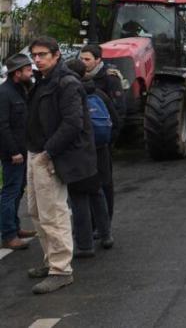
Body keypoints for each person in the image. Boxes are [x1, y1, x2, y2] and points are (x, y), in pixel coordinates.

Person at [25, 36, 97, 294]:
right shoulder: (44, 81)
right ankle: (50, 259)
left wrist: (49, 152)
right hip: (36, 152)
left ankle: (61, 269)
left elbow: (72, 124)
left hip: (50, 155)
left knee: (53, 213)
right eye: (35, 55)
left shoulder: (66, 83)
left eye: (42, 54)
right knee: (36, 211)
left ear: (56, 55)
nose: (37, 59)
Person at [64, 59, 115, 257]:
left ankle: (85, 245)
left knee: (78, 199)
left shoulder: (69, 93)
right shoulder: (98, 93)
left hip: (76, 152)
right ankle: (106, 234)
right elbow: (115, 120)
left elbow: (69, 125)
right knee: (97, 193)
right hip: (98, 150)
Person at [79, 44, 124, 220]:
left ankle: (105, 220)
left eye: (87, 59)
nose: (83, 63)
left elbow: (119, 112)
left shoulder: (110, 78)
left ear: (98, 60)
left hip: (102, 140)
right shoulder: (79, 77)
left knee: (104, 183)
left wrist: (110, 139)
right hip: (85, 142)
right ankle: (90, 221)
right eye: (81, 59)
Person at [0, 53, 36, 250]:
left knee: (17, 190)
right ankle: (8, 235)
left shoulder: (21, 89)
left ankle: (14, 227)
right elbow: (2, 126)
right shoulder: (4, 93)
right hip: (12, 153)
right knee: (10, 192)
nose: (31, 72)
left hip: (23, 150)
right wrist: (14, 152)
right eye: (28, 70)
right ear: (17, 73)